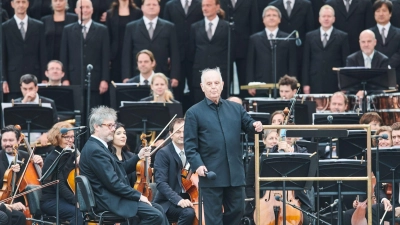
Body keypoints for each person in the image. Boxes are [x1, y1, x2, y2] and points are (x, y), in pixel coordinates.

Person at [184, 68, 263, 225]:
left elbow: (249, 125)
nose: (213, 86)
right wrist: (198, 165)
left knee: (238, 210)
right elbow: (190, 146)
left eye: (216, 83)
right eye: (209, 83)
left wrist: (256, 124)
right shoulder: (194, 112)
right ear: (202, 87)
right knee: (213, 218)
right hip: (210, 173)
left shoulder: (235, 108)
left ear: (222, 85)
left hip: (235, 172)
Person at [79, 106, 168, 224]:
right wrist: (138, 196)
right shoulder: (95, 150)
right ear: (96, 127)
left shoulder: (99, 147)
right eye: (109, 125)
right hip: (108, 201)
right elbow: (112, 182)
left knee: (159, 209)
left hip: (112, 198)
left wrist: (138, 157)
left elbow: (120, 169)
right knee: (155, 215)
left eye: (113, 125)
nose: (112, 129)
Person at [60, 0, 110, 108]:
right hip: (74, 79)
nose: (85, 10)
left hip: (95, 81)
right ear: (76, 10)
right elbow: (64, 56)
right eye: (82, 7)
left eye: (88, 7)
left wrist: (104, 79)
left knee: (93, 113)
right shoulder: (68, 30)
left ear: (92, 10)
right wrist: (65, 79)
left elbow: (105, 57)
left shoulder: (102, 30)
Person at [121, 0, 180, 88]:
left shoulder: (169, 27)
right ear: (142, 7)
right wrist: (126, 76)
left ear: (159, 7)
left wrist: (175, 76)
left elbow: (174, 53)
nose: (151, 7)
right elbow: (126, 53)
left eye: (154, 4)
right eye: (148, 4)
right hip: (138, 75)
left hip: (162, 75)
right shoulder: (131, 27)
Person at [246, 6, 297, 97]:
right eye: (268, 15)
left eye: (274, 15)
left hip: (283, 86)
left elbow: (292, 62)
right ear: (263, 19)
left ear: (279, 19)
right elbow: (250, 63)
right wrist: (250, 83)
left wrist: (292, 83)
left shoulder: (287, 38)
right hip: (261, 84)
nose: (271, 17)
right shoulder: (254, 39)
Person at [153, 118, 196, 224]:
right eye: (178, 132)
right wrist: (179, 200)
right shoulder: (163, 153)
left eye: (185, 132)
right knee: (189, 213)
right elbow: (161, 183)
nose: (182, 135)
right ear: (171, 134)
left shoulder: (194, 152)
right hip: (168, 201)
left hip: (192, 198)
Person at [2, 0, 47, 101]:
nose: (21, 5)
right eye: (18, 2)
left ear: (28, 4)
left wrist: (44, 77)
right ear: (12, 4)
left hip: (35, 76)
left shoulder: (38, 25)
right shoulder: (4, 27)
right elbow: (2, 55)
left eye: (23, 2)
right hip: (13, 78)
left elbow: (43, 53)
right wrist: (3, 79)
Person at [0, 125, 45, 225]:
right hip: (3, 202)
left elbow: (38, 182)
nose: (7, 144)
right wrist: (10, 172)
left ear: (19, 141)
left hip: (23, 202)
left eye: (11, 140)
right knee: (19, 217)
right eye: (4, 140)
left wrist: (40, 167)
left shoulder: (27, 157)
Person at [40, 122, 83, 225]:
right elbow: (60, 184)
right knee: (77, 213)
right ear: (57, 138)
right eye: (66, 137)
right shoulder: (54, 157)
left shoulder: (70, 153)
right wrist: (75, 201)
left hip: (64, 198)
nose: (70, 140)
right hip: (51, 200)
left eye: (72, 137)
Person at [188, 0, 230, 104]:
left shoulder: (227, 27)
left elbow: (231, 52)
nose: (205, 8)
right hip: (200, 74)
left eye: (208, 5)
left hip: (220, 74)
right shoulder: (195, 27)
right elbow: (191, 52)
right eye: (203, 6)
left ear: (217, 7)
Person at [302, 5, 349, 94]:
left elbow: (345, 63)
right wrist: (306, 83)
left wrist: (345, 84)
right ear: (319, 19)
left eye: (329, 16)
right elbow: (306, 62)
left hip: (335, 82)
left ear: (334, 19)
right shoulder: (310, 36)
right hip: (315, 81)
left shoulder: (342, 37)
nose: (326, 19)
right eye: (324, 16)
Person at [219, 0, 261, 97]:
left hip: (244, 46)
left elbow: (254, 22)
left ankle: (244, 106)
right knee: (224, 80)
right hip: (224, 46)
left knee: (244, 79)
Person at [163, 0, 203, 102]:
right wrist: (168, 54)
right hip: (176, 56)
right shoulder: (170, 5)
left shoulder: (200, 4)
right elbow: (165, 30)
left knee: (195, 88)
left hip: (195, 55)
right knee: (176, 89)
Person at [106, 0, 142, 83]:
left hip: (133, 52)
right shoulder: (110, 13)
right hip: (116, 54)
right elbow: (108, 36)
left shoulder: (137, 12)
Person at [369, 0, 400, 87]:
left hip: (396, 75)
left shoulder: (398, 33)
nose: (381, 14)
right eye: (378, 11)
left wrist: (388, 65)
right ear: (374, 14)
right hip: (374, 77)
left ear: (390, 13)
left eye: (384, 10)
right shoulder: (368, 33)